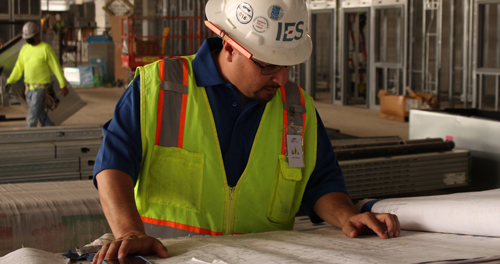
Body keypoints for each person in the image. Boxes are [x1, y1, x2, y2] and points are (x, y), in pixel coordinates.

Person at [92, 0, 400, 263]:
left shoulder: (296, 107)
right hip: (170, 257)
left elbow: (320, 182)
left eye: (288, 65)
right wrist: (129, 231)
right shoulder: (160, 86)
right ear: (228, 45)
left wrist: (347, 216)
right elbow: (113, 164)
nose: (281, 79)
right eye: (268, 65)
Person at [6, 21, 68, 127]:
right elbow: (18, 68)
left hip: (40, 89)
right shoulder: (25, 49)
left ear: (37, 35)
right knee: (39, 114)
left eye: (31, 37)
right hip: (28, 90)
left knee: (32, 115)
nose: (28, 39)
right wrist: (9, 81)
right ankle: (51, 129)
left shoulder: (46, 49)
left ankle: (27, 135)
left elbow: (56, 68)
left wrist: (63, 85)